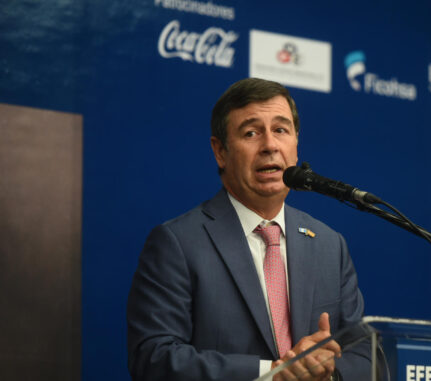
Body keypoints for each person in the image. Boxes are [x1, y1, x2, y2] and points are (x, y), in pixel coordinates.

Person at [127, 78, 370, 381]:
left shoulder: (329, 245)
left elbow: (364, 355)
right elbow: (154, 358)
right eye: (251, 133)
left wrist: (324, 374)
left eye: (281, 130)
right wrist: (275, 373)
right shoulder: (177, 243)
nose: (270, 145)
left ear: (296, 144)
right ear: (221, 152)